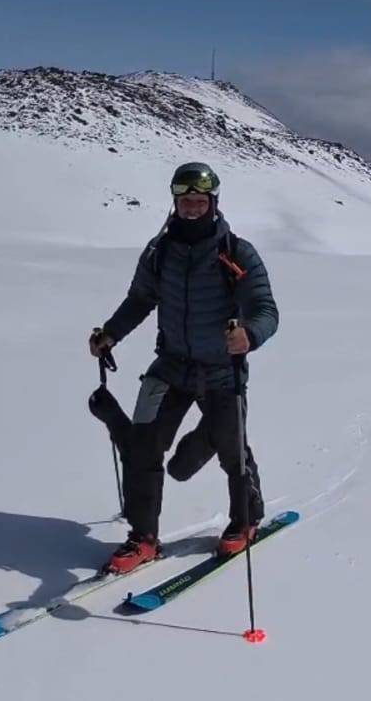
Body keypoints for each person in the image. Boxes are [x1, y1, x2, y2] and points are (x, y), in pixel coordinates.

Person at [88, 162, 279, 573]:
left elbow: (265, 309)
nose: (192, 209)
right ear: (174, 204)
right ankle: (143, 538)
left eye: (199, 202)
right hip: (172, 366)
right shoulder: (160, 252)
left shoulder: (236, 252)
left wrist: (249, 335)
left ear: (213, 203)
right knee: (143, 447)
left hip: (222, 371)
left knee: (232, 450)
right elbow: (140, 299)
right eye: (185, 202)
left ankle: (245, 520)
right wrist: (111, 333)